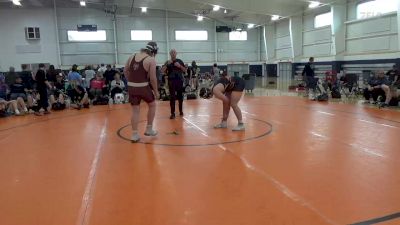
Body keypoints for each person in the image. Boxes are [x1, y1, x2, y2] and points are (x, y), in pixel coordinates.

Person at [124, 41, 159, 142]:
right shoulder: (151, 59)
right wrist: (156, 91)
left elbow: (125, 71)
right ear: (154, 51)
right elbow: (152, 78)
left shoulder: (132, 56)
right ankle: (149, 129)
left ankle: (134, 135)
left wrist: (130, 81)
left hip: (131, 87)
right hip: (143, 87)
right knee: (152, 105)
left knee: (135, 110)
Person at [162, 49, 186, 119]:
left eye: (174, 52)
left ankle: (181, 111)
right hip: (171, 81)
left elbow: (185, 70)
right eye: (171, 52)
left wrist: (179, 66)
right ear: (170, 54)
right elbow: (162, 71)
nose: (173, 54)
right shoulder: (167, 62)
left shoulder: (180, 61)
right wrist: (167, 64)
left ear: (176, 53)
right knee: (172, 97)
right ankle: (172, 113)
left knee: (180, 96)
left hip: (179, 81)